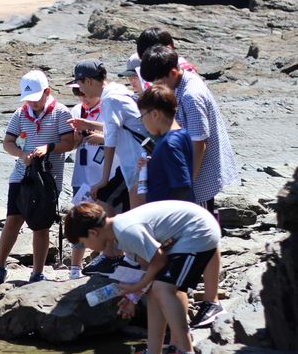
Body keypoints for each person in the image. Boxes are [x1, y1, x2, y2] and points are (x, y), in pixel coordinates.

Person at [64, 201, 221, 354]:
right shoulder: (120, 232)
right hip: (185, 234)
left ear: (93, 233)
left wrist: (137, 286)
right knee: (153, 291)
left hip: (198, 232)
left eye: (83, 242)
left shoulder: (126, 230)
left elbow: (159, 260)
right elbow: (144, 264)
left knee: (162, 288)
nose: (87, 247)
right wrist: (133, 297)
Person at [140, 46, 237, 327]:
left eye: (159, 82)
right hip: (190, 174)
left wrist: (187, 185)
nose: (157, 88)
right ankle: (197, 287)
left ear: (173, 72)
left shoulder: (191, 96)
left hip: (201, 177)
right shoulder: (182, 83)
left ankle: (212, 301)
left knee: (208, 238)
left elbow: (199, 143)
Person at [0, 70, 74, 289]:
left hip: (48, 179)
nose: (32, 103)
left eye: (36, 99)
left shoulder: (61, 113)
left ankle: (37, 273)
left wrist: (49, 148)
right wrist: (22, 154)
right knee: (13, 220)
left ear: (47, 92)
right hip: (21, 176)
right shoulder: (20, 113)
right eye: (28, 99)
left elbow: (69, 142)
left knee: (41, 225)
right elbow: (8, 142)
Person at [67, 59, 146, 276]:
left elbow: (110, 140)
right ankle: (125, 257)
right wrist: (89, 125)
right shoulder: (119, 92)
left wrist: (102, 179)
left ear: (89, 80)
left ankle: (113, 256)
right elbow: (119, 125)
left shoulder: (110, 100)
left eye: (80, 84)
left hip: (136, 162)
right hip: (139, 160)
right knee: (125, 205)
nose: (79, 89)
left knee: (105, 197)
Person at [68, 85, 125, 280]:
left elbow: (118, 135)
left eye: (86, 95)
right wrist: (77, 139)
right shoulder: (77, 111)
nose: (84, 99)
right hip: (83, 176)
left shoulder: (109, 107)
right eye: (80, 96)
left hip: (108, 175)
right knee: (80, 221)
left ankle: (114, 259)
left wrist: (100, 138)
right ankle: (74, 268)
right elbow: (72, 145)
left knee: (110, 220)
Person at [136, 85, 195, 203]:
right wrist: (154, 162)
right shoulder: (181, 133)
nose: (143, 123)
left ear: (155, 114)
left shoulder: (169, 144)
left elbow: (182, 186)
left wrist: (166, 213)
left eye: (142, 117)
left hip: (172, 217)